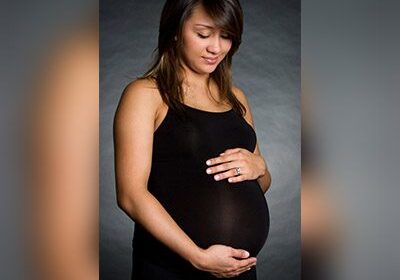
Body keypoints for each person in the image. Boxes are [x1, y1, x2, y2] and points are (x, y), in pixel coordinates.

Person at [113, 0, 271, 279]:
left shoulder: (236, 99)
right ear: (175, 30)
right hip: (170, 267)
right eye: (203, 34)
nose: (216, 47)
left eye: (226, 36)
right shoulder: (146, 94)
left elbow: (260, 184)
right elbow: (130, 195)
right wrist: (197, 257)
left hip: (238, 269)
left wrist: (260, 167)